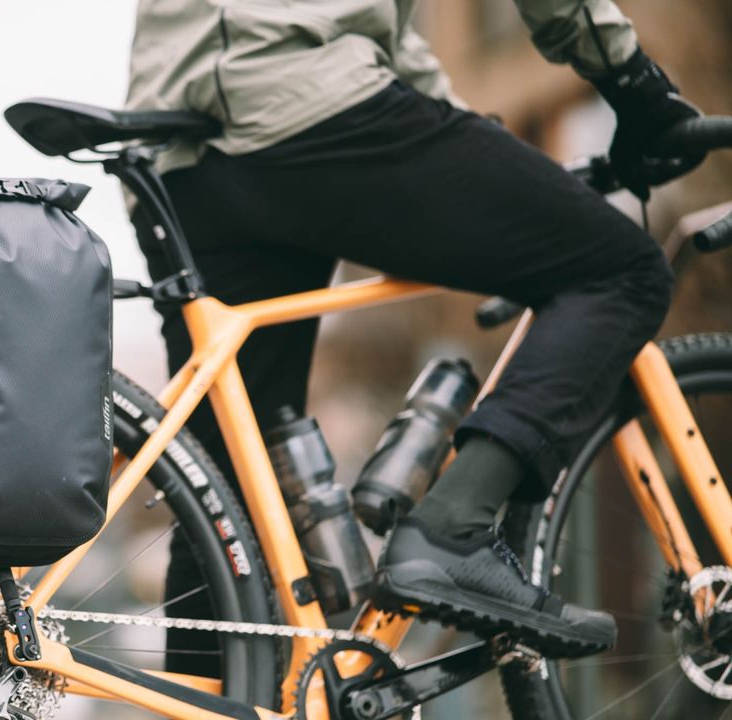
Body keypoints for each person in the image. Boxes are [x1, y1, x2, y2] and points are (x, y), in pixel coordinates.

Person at [125, 0, 703, 671]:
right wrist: (632, 78)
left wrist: (475, 137)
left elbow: (384, 33)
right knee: (623, 270)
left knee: (221, 504)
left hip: (176, 160)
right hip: (309, 106)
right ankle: (452, 532)